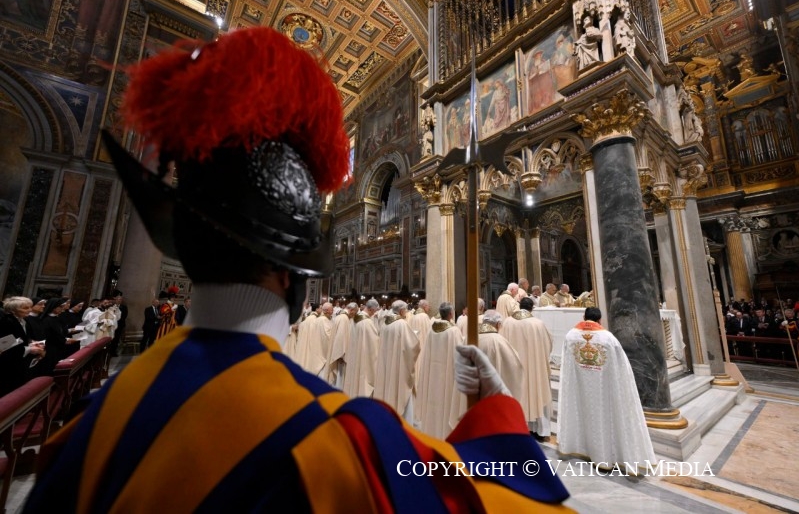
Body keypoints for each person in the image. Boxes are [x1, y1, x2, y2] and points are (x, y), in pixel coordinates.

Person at [24, 27, 568, 512]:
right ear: (295, 274)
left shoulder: (88, 432)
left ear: (183, 247)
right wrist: (498, 411)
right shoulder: (342, 446)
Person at [558, 307, 655, 472]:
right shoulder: (608, 338)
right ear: (599, 320)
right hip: (603, 388)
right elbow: (621, 367)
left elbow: (567, 366)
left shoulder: (570, 336)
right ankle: (606, 456)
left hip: (579, 388)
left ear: (584, 317)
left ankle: (581, 448)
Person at [500, 297, 553, 439]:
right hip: (534, 368)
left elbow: (501, 343)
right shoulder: (537, 324)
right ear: (532, 308)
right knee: (536, 394)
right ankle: (539, 430)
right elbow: (548, 344)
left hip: (514, 368)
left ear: (519, 306)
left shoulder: (507, 322)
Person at [416, 302, 466, 438]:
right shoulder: (453, 331)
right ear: (451, 314)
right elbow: (459, 353)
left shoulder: (432, 330)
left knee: (434, 401)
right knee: (446, 402)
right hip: (448, 374)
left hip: (433, 375)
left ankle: (432, 431)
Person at [374, 300, 420, 422]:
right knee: (398, 386)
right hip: (398, 364)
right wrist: (416, 338)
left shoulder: (385, 323)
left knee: (388, 383)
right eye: (405, 310)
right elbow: (412, 346)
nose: (406, 312)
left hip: (387, 362)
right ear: (401, 310)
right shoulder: (401, 324)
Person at [342, 298, 381, 398]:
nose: (374, 314)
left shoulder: (356, 319)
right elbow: (373, 345)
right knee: (363, 379)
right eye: (374, 311)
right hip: (364, 356)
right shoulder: (367, 322)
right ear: (371, 309)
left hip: (355, 354)